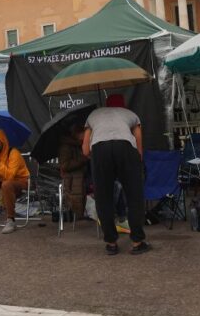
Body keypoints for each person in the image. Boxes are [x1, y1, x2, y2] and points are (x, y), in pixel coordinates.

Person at [82, 94, 150, 255]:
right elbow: (138, 140)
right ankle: (137, 242)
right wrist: (138, 159)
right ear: (123, 106)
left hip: (100, 149)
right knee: (134, 196)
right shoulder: (130, 115)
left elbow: (85, 150)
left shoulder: (94, 115)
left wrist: (97, 158)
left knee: (103, 197)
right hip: (125, 147)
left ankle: (111, 243)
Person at [58, 122, 89, 218]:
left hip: (83, 178)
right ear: (75, 134)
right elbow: (64, 166)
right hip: (74, 181)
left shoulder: (81, 145)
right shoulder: (66, 146)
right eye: (83, 133)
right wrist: (83, 159)